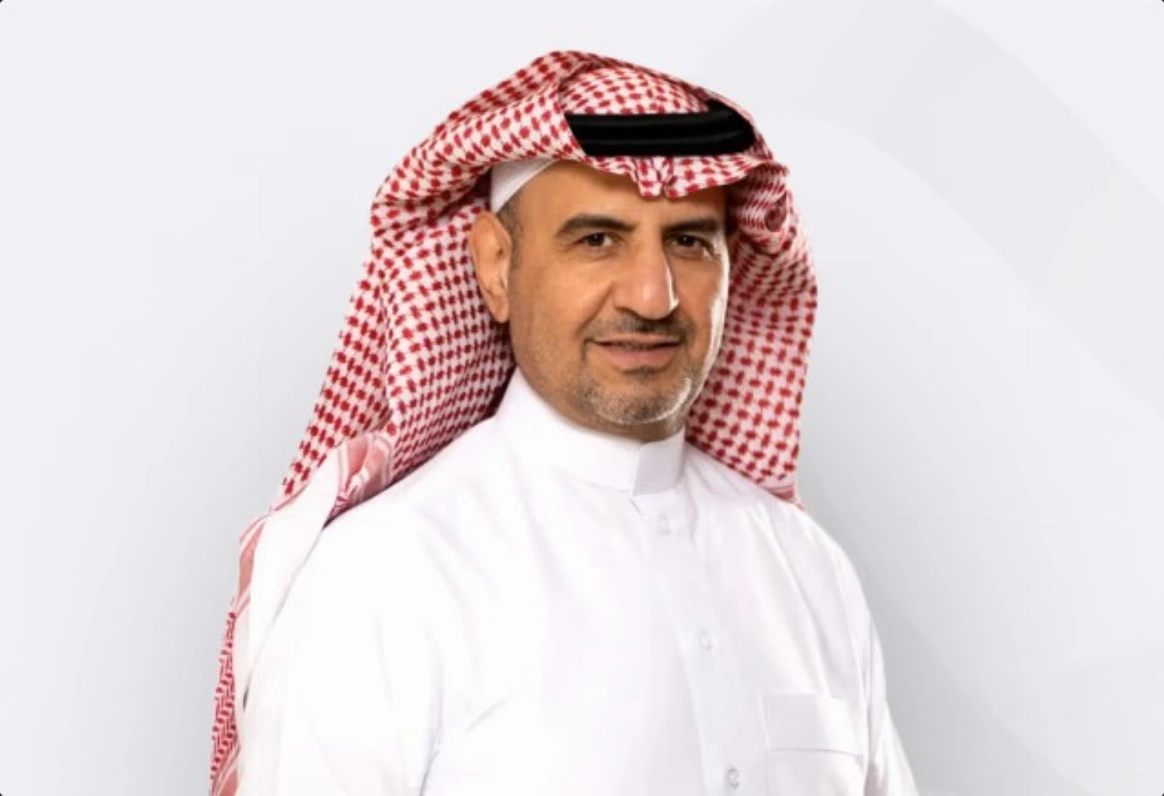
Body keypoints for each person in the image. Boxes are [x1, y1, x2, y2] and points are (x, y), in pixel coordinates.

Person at [208, 51, 919, 796]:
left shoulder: (809, 571)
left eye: (688, 241)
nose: (652, 297)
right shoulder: (380, 581)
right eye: (597, 240)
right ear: (495, 265)